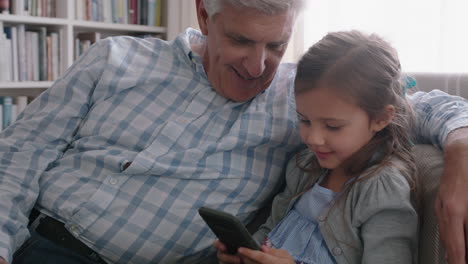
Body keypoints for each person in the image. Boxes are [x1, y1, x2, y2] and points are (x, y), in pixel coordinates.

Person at [0, 0, 467, 263]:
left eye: (276, 44)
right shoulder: (114, 59)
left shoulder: (306, 99)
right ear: (205, 16)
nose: (258, 65)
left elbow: (412, 104)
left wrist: (462, 150)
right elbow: (20, 153)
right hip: (44, 246)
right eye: (241, 40)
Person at [215, 30, 419, 264]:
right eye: (305, 120)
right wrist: (247, 252)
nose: (313, 138)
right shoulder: (304, 167)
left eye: (332, 126)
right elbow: (273, 228)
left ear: (381, 118)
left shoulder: (382, 188)